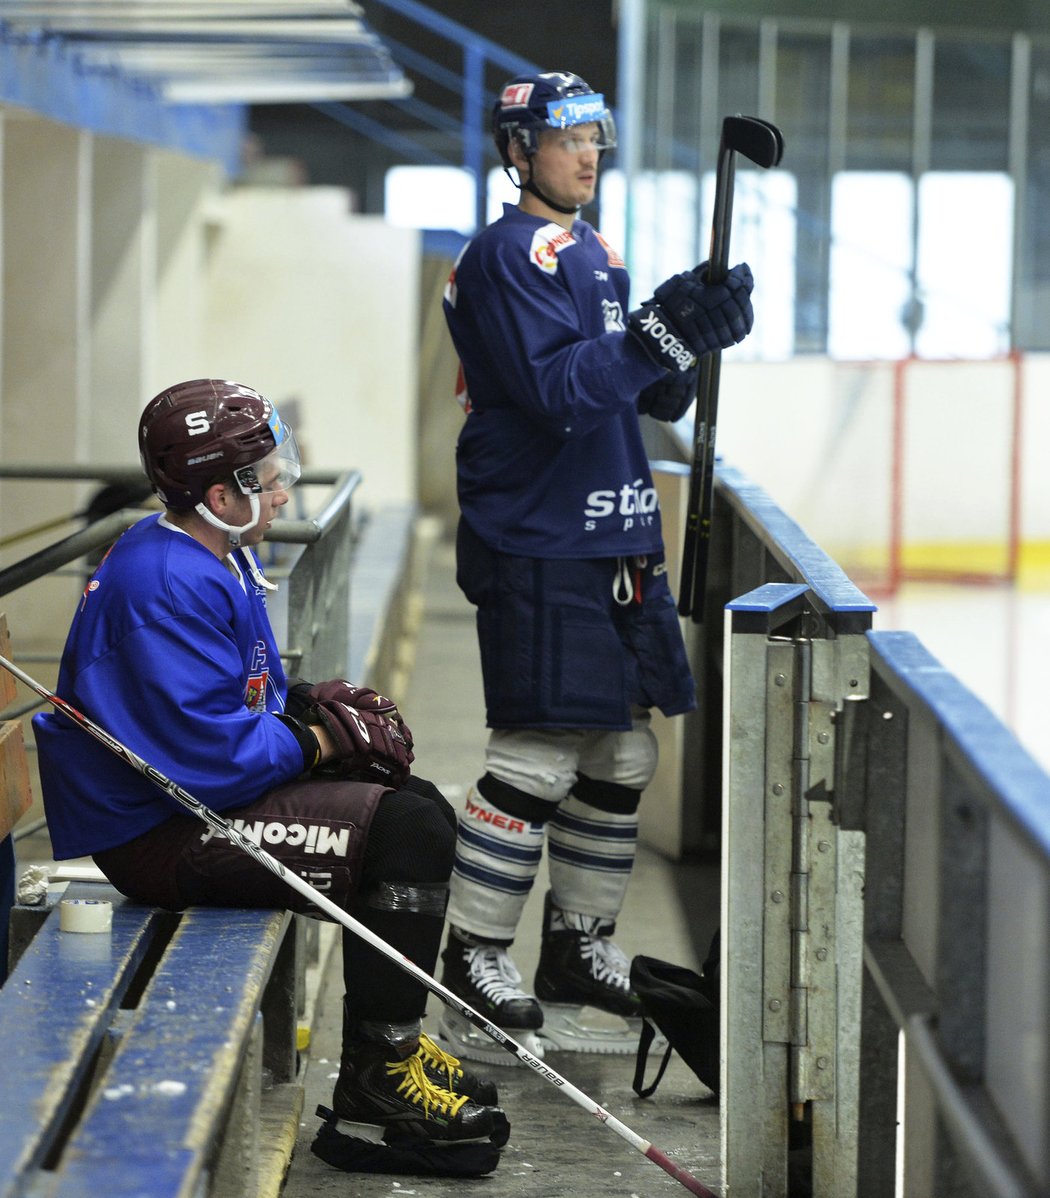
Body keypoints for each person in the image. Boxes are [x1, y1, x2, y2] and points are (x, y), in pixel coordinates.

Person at [32, 378, 503, 1147]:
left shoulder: (210, 552)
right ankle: (376, 1079)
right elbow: (205, 761)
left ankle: (394, 1043)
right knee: (407, 832)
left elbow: (237, 701)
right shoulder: (164, 580)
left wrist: (307, 706)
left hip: (189, 805)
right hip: (161, 834)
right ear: (221, 494)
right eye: (270, 479)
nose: (285, 492)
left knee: (411, 800)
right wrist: (318, 740)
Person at [438, 71, 756, 1062]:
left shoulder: (596, 253)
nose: (588, 153)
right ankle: (473, 951)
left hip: (612, 533)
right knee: (537, 756)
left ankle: (578, 945)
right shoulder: (502, 255)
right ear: (519, 148)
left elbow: (636, 395)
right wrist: (658, 335)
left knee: (623, 756)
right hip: (538, 535)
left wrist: (689, 334)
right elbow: (557, 391)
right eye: (567, 136)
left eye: (597, 136)